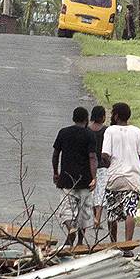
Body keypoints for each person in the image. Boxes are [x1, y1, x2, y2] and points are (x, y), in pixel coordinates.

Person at [101, 102, 140, 243]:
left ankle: (113, 243)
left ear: (116, 116)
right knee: (130, 211)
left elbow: (104, 154)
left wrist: (109, 165)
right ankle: (128, 243)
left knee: (112, 213)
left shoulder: (110, 131)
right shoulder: (137, 132)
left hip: (114, 177)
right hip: (133, 178)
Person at [52, 106, 97, 247]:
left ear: (73, 118)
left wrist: (55, 172)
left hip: (66, 179)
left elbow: (55, 154)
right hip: (85, 180)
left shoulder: (63, 133)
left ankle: (71, 227)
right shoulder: (90, 135)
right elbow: (92, 157)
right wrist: (94, 177)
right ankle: (80, 242)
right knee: (83, 212)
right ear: (86, 119)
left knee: (66, 210)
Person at [88, 106, 109, 229]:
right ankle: (98, 218)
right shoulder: (106, 130)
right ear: (102, 116)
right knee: (101, 193)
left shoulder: (87, 129)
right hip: (102, 165)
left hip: (89, 165)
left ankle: (94, 216)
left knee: (92, 191)